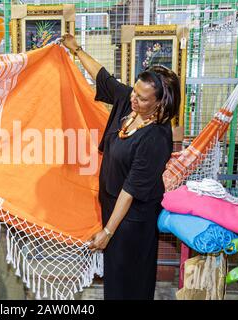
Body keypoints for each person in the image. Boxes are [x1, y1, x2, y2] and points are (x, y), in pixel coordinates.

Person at [61, 34, 180, 300]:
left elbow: (131, 189)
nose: (134, 99)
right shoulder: (131, 104)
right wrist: (76, 50)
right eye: (135, 92)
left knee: (130, 277)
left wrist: (108, 231)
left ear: (160, 103)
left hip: (133, 217)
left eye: (142, 97)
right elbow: (104, 78)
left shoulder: (157, 138)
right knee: (115, 275)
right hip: (113, 206)